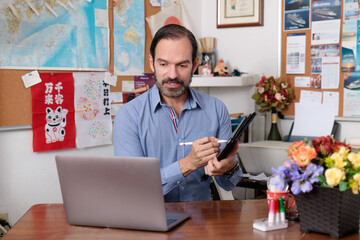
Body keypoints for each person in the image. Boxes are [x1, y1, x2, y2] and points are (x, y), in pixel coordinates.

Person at [113, 24, 242, 202]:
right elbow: (134, 187)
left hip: (201, 221)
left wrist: (230, 166)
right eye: (164, 64)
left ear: (195, 64)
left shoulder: (216, 109)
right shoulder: (128, 116)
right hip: (151, 221)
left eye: (182, 65)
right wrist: (188, 164)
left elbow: (228, 184)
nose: (172, 75)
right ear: (152, 63)